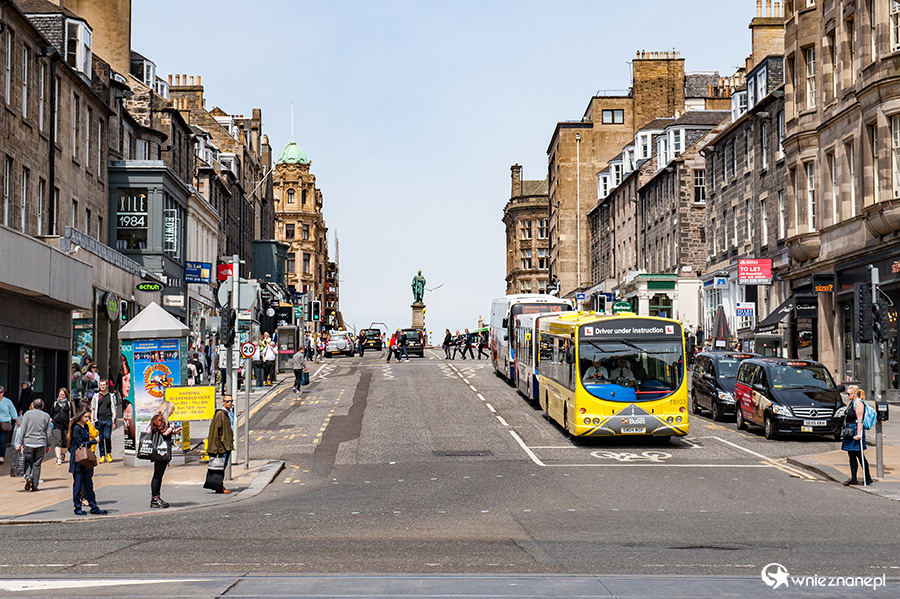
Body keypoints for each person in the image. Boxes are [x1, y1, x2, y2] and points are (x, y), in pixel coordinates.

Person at [68, 407, 106, 515]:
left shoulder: (85, 426)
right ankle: (77, 507)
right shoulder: (76, 428)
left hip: (86, 460)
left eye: (88, 417)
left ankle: (94, 507)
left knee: (89, 485)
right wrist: (94, 441)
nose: (87, 419)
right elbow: (80, 443)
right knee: (78, 486)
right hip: (78, 459)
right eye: (85, 417)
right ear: (79, 416)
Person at [14, 398, 51, 492]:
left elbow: (23, 429)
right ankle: (35, 486)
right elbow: (49, 432)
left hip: (28, 442)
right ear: (42, 406)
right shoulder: (46, 416)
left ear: (33, 405)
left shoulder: (27, 414)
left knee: (28, 462)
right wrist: (49, 444)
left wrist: (19, 442)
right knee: (37, 465)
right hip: (41, 442)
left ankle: (27, 477)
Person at [149, 400, 180, 508]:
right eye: (171, 411)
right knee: (158, 474)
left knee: (159, 474)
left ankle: (156, 497)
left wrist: (174, 431)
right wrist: (171, 428)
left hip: (161, 450)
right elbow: (165, 432)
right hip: (159, 450)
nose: (172, 413)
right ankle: (155, 498)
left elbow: (165, 431)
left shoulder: (159, 418)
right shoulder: (158, 417)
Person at [842, 385, 873, 486]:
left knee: (860, 455)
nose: (847, 395)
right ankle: (854, 478)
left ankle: (867, 478)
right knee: (851, 455)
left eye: (849, 394)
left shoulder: (858, 403)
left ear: (855, 394)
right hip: (849, 431)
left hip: (855, 431)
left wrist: (859, 434)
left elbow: (860, 420)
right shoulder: (852, 403)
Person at [204, 396, 235, 494]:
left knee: (221, 466)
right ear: (223, 402)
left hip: (227, 444)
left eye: (231, 401)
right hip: (222, 446)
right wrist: (215, 448)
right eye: (227, 401)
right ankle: (219, 487)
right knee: (220, 466)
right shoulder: (220, 414)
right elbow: (215, 432)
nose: (229, 403)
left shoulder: (229, 413)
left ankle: (219, 486)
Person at [90, 380, 117, 463]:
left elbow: (114, 408)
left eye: (104, 385)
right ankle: (102, 455)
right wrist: (92, 420)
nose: (102, 387)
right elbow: (93, 408)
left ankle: (108, 452)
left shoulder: (111, 396)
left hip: (108, 419)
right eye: (101, 385)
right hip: (99, 420)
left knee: (107, 437)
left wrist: (115, 421)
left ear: (107, 386)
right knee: (100, 438)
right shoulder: (96, 396)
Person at [50, 388, 75, 465]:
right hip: (56, 426)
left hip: (66, 426)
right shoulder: (55, 404)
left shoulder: (69, 404)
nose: (62, 396)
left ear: (66, 395)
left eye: (63, 395)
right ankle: (58, 458)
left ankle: (63, 454)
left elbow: (72, 415)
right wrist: (51, 420)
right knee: (58, 442)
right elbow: (51, 414)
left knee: (65, 443)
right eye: (60, 394)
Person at [0, 385, 16, 464]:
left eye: (0, 392)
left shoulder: (7, 401)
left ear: (3, 392)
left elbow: (13, 411)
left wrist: (17, 421)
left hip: (4, 423)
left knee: (3, 440)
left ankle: (1, 456)